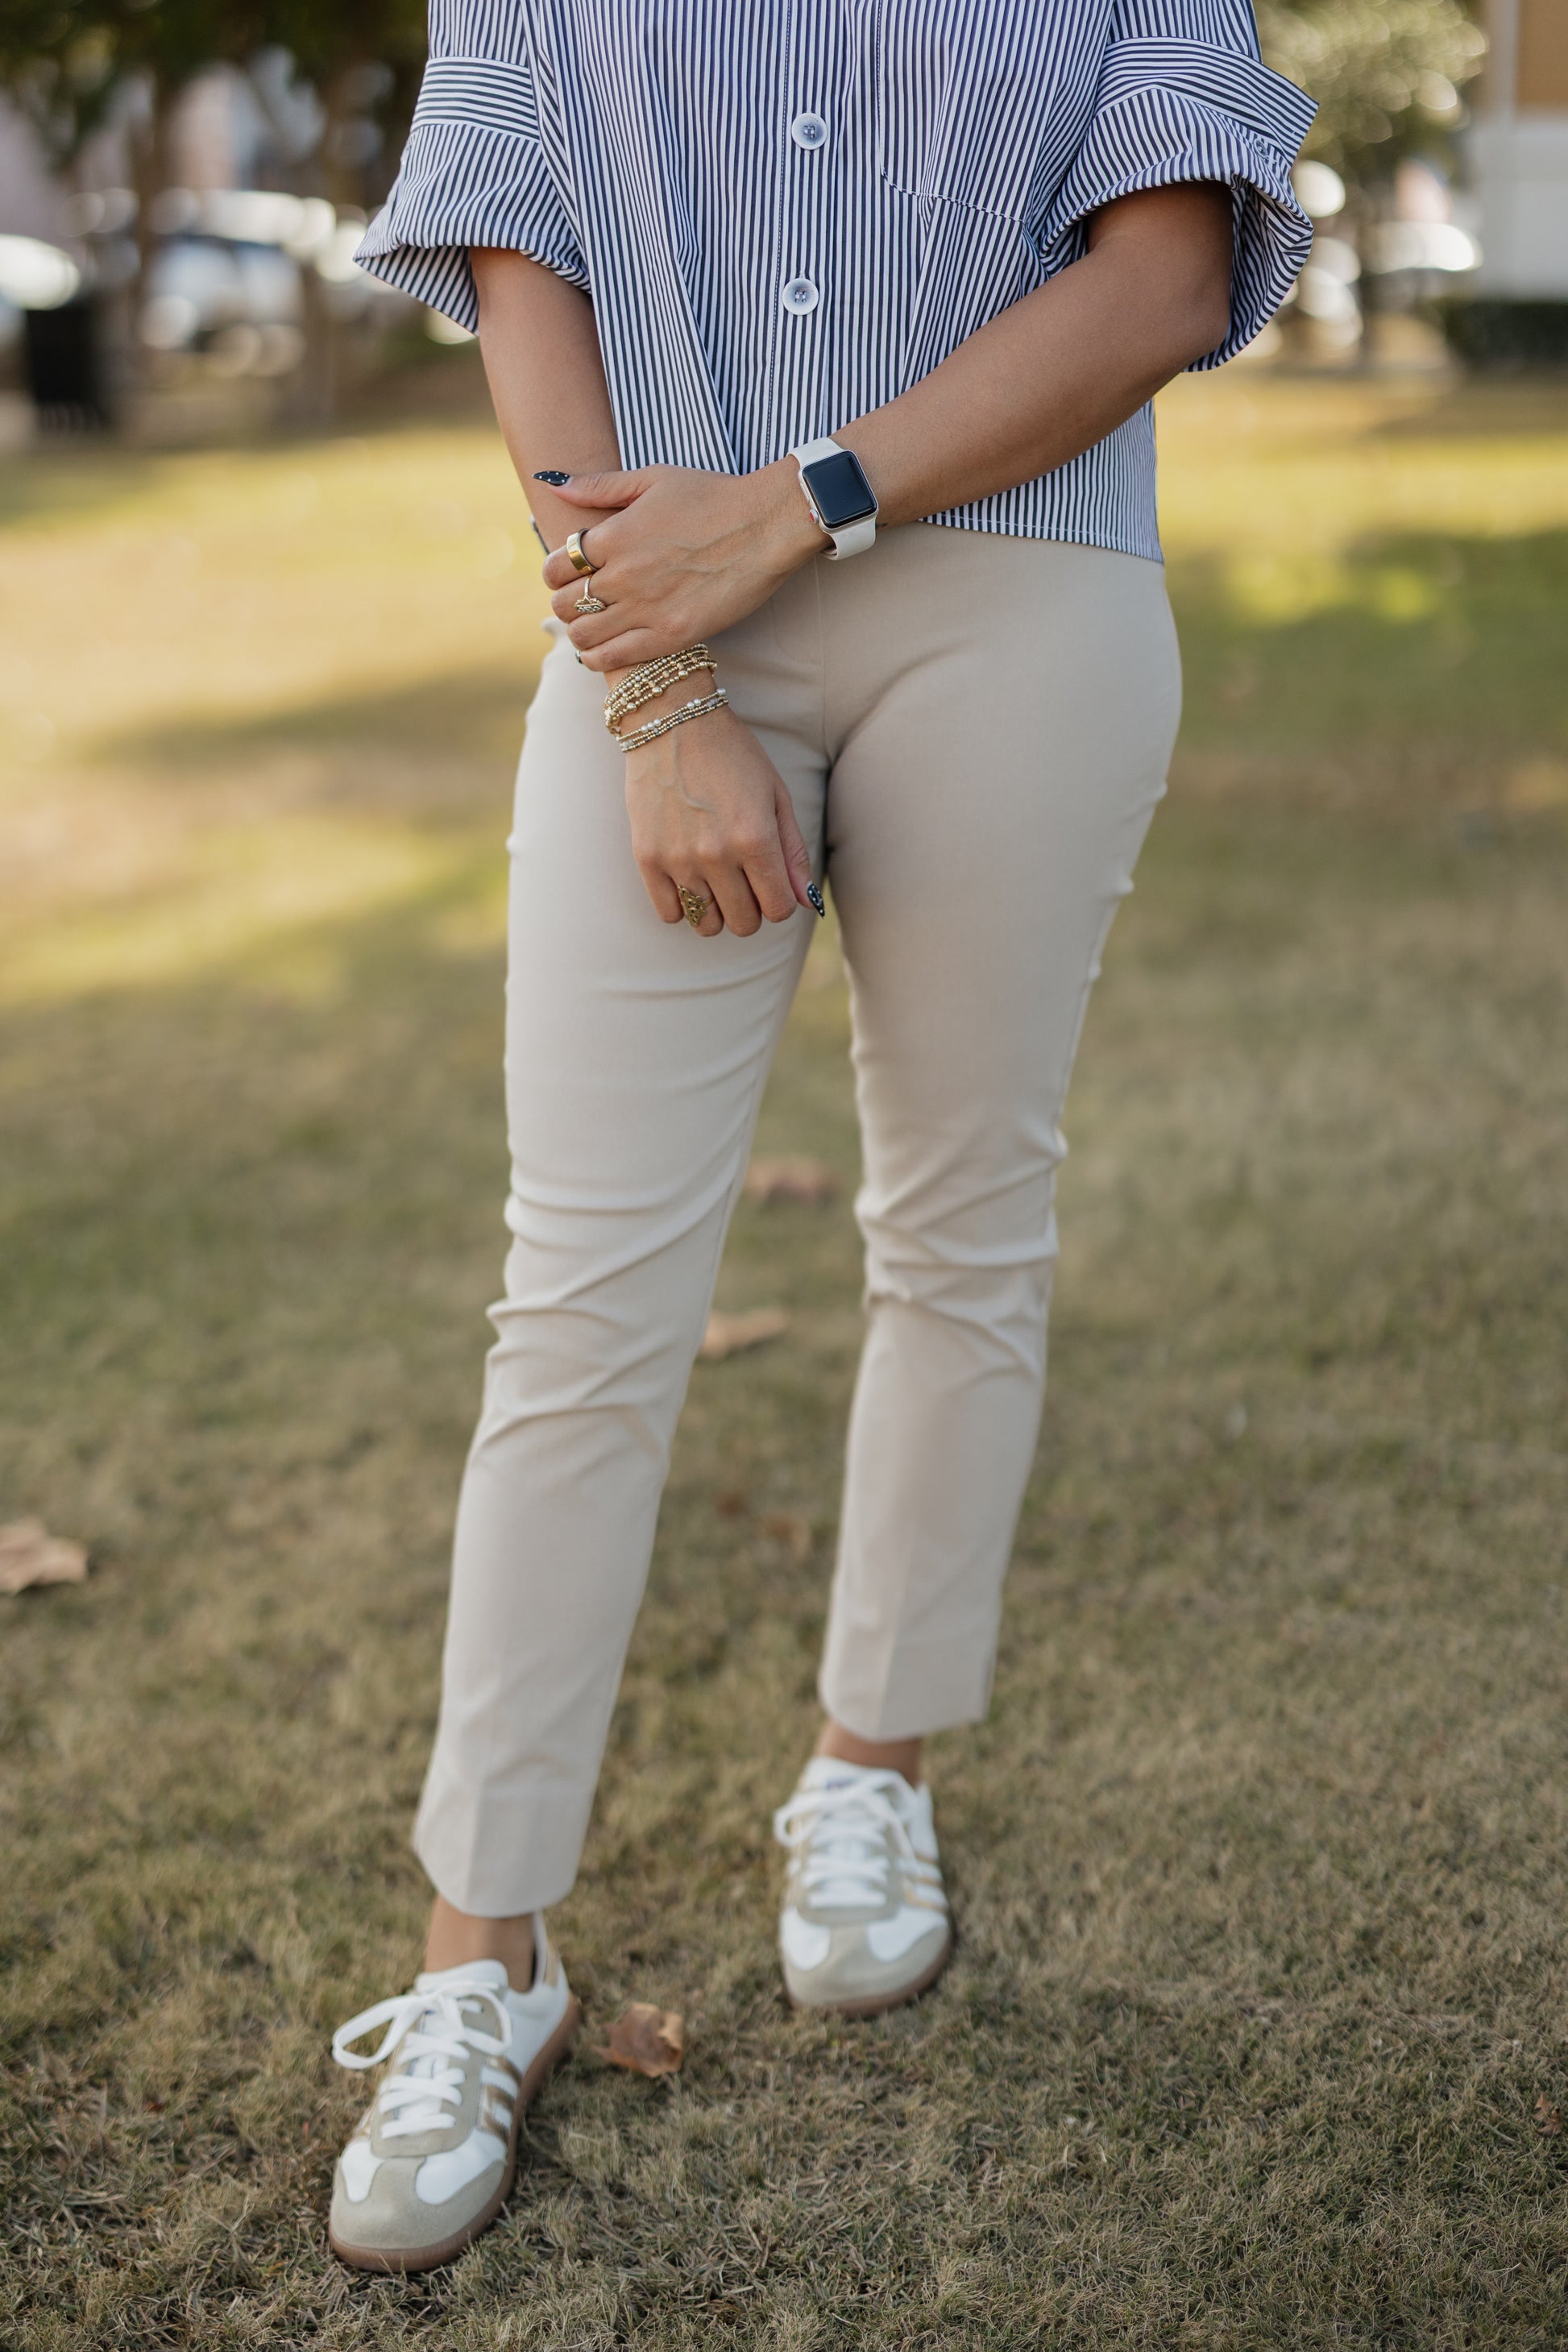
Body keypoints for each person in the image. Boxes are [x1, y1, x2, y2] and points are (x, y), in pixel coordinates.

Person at [323, 0, 1314, 2273]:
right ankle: (487, 1953)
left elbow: (1167, 276)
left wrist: (810, 500)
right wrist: (661, 689)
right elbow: (516, 254)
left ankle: (869, 1776)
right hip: (656, 606)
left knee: (963, 1218)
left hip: (1018, 591)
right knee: (578, 1282)